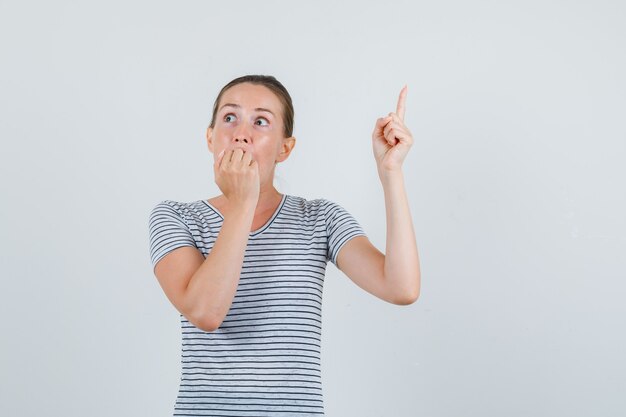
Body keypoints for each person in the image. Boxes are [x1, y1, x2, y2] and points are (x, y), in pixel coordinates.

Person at [148, 74, 420, 416]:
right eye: (229, 117)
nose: (241, 132)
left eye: (261, 121)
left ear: (284, 148)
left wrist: (390, 173)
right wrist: (243, 203)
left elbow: (401, 287)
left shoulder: (320, 218)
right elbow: (206, 312)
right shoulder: (175, 218)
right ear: (210, 137)